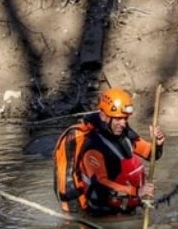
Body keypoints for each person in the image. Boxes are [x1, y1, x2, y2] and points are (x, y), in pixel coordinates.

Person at [63, 87, 166, 215]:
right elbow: (101, 185)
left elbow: (151, 154)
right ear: (103, 116)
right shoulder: (93, 146)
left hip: (126, 207)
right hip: (104, 214)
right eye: (117, 119)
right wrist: (136, 192)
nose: (123, 124)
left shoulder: (125, 134)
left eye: (125, 118)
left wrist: (158, 144)